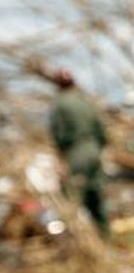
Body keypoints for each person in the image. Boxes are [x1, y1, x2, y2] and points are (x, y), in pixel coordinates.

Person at [48, 69, 110, 236]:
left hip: (75, 151)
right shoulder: (85, 101)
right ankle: (104, 234)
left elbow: (58, 135)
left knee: (73, 194)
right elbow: (101, 128)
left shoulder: (60, 104)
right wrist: (99, 147)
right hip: (94, 149)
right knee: (96, 193)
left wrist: (62, 157)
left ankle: (84, 239)